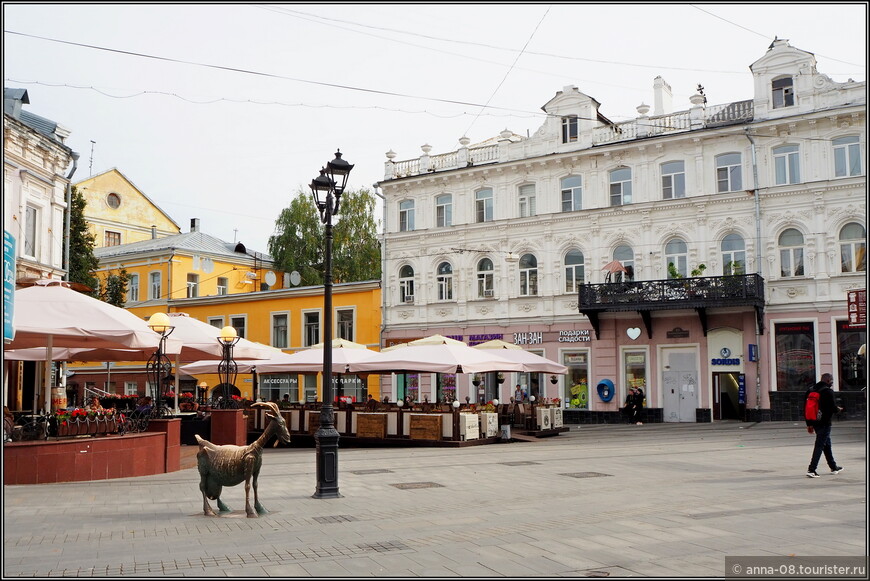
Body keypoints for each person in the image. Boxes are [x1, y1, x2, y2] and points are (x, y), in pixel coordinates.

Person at [805, 373, 844, 478]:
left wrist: (809, 424)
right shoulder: (827, 391)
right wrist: (838, 409)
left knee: (827, 444)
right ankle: (812, 469)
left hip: (814, 421)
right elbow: (832, 407)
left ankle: (833, 466)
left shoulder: (811, 390)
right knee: (820, 445)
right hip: (824, 422)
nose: (832, 383)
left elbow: (806, 408)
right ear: (828, 380)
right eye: (831, 381)